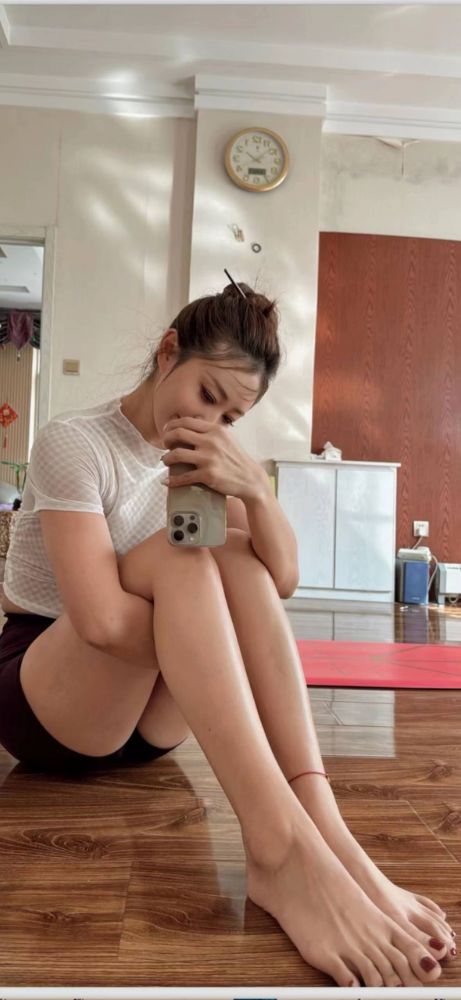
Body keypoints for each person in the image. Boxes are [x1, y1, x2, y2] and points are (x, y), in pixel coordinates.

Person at [0, 279, 455, 987]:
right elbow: (102, 621)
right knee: (186, 559)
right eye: (206, 395)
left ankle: (323, 825)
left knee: (235, 556)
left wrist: (250, 487)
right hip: (51, 701)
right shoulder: (76, 441)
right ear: (168, 353)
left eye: (231, 416)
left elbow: (281, 579)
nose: (210, 422)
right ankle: (278, 847)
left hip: (150, 724)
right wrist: (202, 629)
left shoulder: (206, 462)